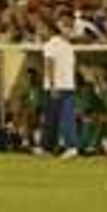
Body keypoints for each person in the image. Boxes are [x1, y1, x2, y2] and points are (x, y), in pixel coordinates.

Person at [40, 21, 79, 159]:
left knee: (53, 119)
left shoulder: (49, 45)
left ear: (49, 30)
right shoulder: (68, 46)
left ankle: (52, 148)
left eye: (42, 29)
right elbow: (73, 67)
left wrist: (52, 86)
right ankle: (64, 147)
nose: (40, 32)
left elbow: (49, 65)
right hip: (69, 85)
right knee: (65, 117)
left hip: (55, 86)